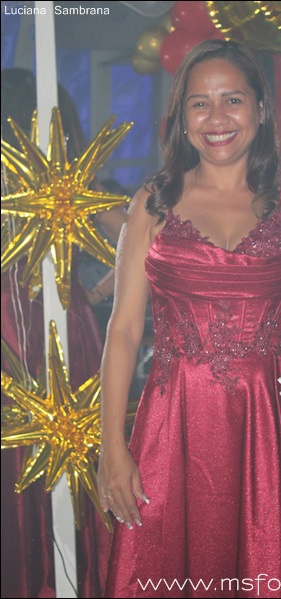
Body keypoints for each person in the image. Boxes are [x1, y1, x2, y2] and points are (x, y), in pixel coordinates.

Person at [98, 40, 281, 598]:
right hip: (173, 425)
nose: (217, 117)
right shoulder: (153, 204)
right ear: (182, 117)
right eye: (200, 103)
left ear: (260, 109)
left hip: (274, 423)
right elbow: (123, 331)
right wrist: (112, 446)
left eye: (233, 100)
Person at [1, 67, 125, 599]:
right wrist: (95, 296)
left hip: (22, 326)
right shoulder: (65, 183)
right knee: (65, 459)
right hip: (63, 324)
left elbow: (139, 243)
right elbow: (142, 243)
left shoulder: (59, 185)